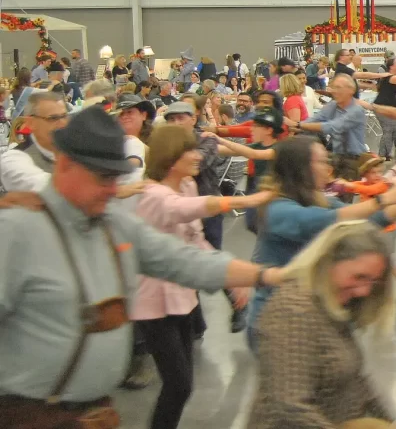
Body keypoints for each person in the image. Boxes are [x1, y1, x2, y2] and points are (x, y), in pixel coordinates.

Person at [0, 108, 285, 427]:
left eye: (116, 177)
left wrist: (266, 275)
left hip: (92, 414)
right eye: (103, 177)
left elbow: (179, 258)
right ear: (65, 165)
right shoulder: (16, 231)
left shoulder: (112, 223)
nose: (113, 189)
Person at [132, 125, 272, 429]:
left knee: (182, 384)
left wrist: (230, 277)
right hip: (153, 302)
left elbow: (197, 240)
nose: (198, 156)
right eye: (190, 150)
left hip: (182, 296)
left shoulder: (187, 185)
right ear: (170, 156)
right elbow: (181, 210)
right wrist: (244, 201)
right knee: (179, 384)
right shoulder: (152, 194)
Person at [247, 136, 396, 349]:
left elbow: (368, 220)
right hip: (279, 323)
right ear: (301, 168)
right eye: (322, 161)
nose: (328, 167)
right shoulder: (276, 209)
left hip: (312, 316)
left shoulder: (320, 199)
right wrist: (384, 199)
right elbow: (326, 222)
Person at [248, 222, 396, 428]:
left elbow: (355, 381)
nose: (364, 292)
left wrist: (391, 422)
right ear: (328, 262)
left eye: (373, 282)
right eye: (359, 277)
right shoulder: (293, 311)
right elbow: (289, 407)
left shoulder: (333, 306)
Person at [292, 74, 370, 181]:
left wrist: (299, 125)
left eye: (338, 88)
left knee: (345, 192)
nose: (334, 91)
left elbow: (334, 127)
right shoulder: (332, 105)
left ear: (351, 90)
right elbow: (316, 118)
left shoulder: (357, 110)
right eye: (333, 88)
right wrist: (296, 126)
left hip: (353, 160)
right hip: (336, 156)